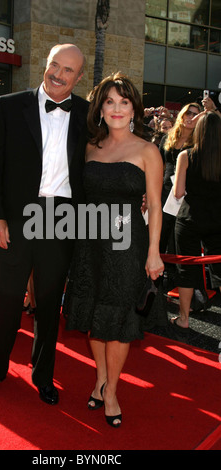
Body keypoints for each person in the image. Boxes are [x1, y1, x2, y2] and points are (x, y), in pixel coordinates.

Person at [0, 43, 89, 404]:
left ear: (79, 76)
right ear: (46, 63)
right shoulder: (9, 105)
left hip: (61, 220)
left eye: (68, 70)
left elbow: (108, 158)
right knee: (6, 302)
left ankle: (44, 377)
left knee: (49, 305)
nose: (58, 74)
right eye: (54, 64)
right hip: (14, 218)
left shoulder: (87, 114)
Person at [63, 72, 164, 427]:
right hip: (90, 242)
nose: (117, 109)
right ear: (100, 108)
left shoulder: (148, 151)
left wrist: (154, 252)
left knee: (119, 319)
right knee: (94, 315)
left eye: (124, 102)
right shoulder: (91, 147)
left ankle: (111, 391)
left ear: (134, 108)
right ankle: (100, 378)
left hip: (127, 244)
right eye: (109, 101)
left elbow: (154, 205)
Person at [171, 111, 221, 331]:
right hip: (218, 219)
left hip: (190, 218)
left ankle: (184, 318)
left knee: (186, 269)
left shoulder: (186, 156)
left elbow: (178, 192)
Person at [159, 102, 202, 288]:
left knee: (178, 239)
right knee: (160, 234)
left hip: (185, 194)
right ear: (182, 115)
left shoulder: (200, 142)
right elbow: (159, 166)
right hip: (165, 192)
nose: (191, 117)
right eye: (188, 113)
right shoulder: (168, 138)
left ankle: (177, 279)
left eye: (196, 114)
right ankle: (157, 277)